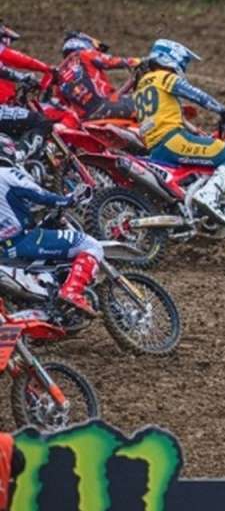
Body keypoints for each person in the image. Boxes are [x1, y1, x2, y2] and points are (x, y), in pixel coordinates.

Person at [135, 39, 225, 223]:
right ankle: (208, 196)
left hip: (156, 148)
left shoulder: (142, 86)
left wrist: (196, 131)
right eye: (183, 62)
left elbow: (166, 116)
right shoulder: (164, 77)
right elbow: (196, 95)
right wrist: (224, 111)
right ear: (172, 59)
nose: (184, 67)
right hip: (173, 141)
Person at [0, 136, 104, 314]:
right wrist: (69, 200)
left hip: (5, 249)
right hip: (25, 240)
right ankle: (72, 292)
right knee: (91, 245)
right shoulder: (7, 173)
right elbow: (39, 195)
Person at [56, 31, 139, 119]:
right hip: (106, 107)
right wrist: (140, 61)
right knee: (142, 102)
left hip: (85, 118)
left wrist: (131, 81)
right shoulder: (84, 54)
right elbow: (111, 61)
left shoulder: (59, 74)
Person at [0, 24, 53, 107]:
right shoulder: (2, 51)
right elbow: (21, 60)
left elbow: (5, 71)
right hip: (3, 105)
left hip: (6, 102)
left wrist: (23, 78)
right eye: (8, 40)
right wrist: (46, 68)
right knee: (32, 115)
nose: (8, 44)